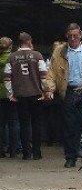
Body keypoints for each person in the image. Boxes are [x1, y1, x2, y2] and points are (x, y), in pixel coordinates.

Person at [46, 23, 82, 168]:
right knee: (70, 126)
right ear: (66, 36)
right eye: (70, 36)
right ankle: (70, 157)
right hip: (69, 92)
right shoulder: (60, 52)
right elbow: (52, 73)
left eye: (75, 35)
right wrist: (49, 89)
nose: (73, 38)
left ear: (80, 35)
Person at [3, 32, 48, 160]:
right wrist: (46, 90)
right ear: (29, 41)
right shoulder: (37, 55)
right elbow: (43, 75)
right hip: (36, 94)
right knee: (36, 124)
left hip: (20, 95)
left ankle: (26, 153)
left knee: (24, 124)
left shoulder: (12, 57)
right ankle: (37, 152)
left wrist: (10, 94)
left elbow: (7, 77)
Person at [0, 36, 20, 158]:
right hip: (11, 92)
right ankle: (14, 150)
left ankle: (1, 150)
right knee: (13, 122)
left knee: (1, 124)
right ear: (11, 46)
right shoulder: (13, 58)